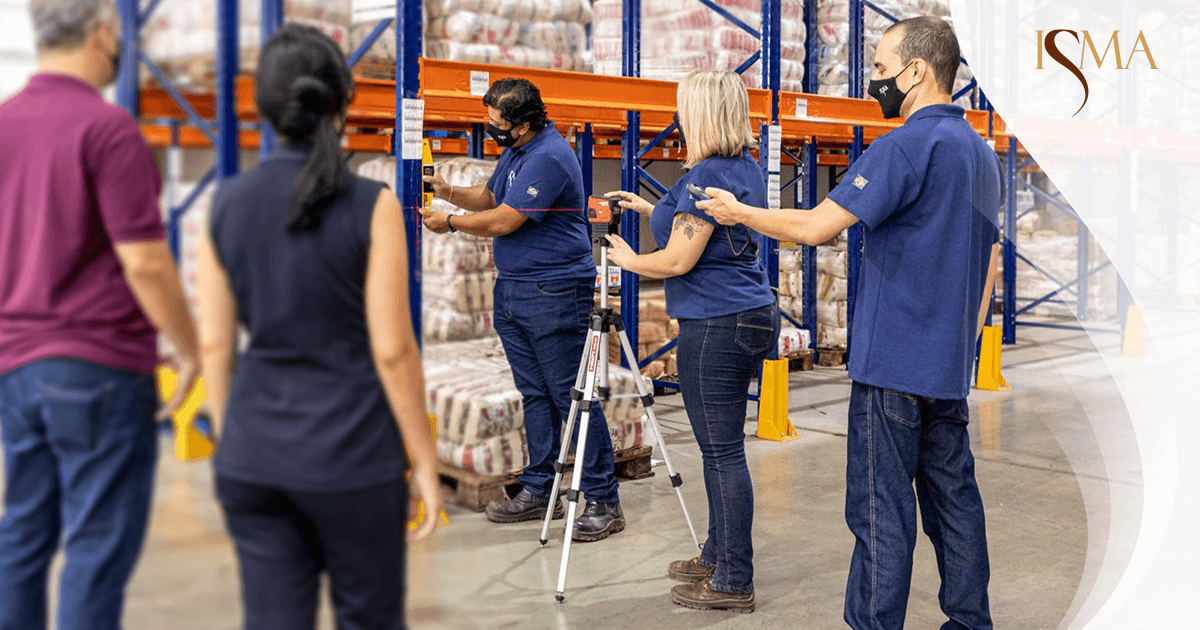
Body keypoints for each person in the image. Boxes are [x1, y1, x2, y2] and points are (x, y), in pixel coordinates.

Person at [698, 16, 1001, 630]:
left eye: (885, 71)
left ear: (918, 70)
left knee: (879, 511)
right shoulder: (981, 155)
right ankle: (970, 622)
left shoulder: (906, 145)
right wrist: (961, 347)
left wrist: (738, 211)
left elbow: (815, 228)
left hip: (891, 365)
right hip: (945, 367)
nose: (879, 84)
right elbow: (988, 261)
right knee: (955, 504)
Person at [195, 25, 441, 630]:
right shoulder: (372, 205)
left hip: (255, 457)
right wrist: (425, 461)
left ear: (263, 106)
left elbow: (214, 343)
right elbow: (393, 351)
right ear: (341, 103)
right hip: (354, 459)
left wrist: (234, 440)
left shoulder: (225, 203)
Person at [0, 1, 202, 628]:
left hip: (15, 365)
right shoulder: (108, 128)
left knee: (23, 534)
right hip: (97, 369)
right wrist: (189, 347)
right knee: (96, 543)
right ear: (102, 31)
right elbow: (144, 261)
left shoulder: (3, 122)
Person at [603, 70, 779, 614]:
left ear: (700, 114)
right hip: (750, 312)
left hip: (716, 323)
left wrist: (629, 260)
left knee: (722, 453)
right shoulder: (743, 167)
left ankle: (732, 579)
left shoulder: (704, 174)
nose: (678, 120)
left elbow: (678, 258)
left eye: (683, 110)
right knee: (721, 450)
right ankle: (717, 555)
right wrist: (645, 207)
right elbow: (704, 230)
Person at [422, 78, 624, 541]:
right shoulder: (517, 151)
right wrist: (447, 190)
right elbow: (492, 197)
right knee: (534, 393)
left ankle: (603, 498)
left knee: (571, 395)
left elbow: (506, 220)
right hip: (514, 288)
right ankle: (540, 486)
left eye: (499, 125)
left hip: (553, 291)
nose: (493, 131)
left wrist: (450, 224)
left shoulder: (549, 156)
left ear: (525, 123)